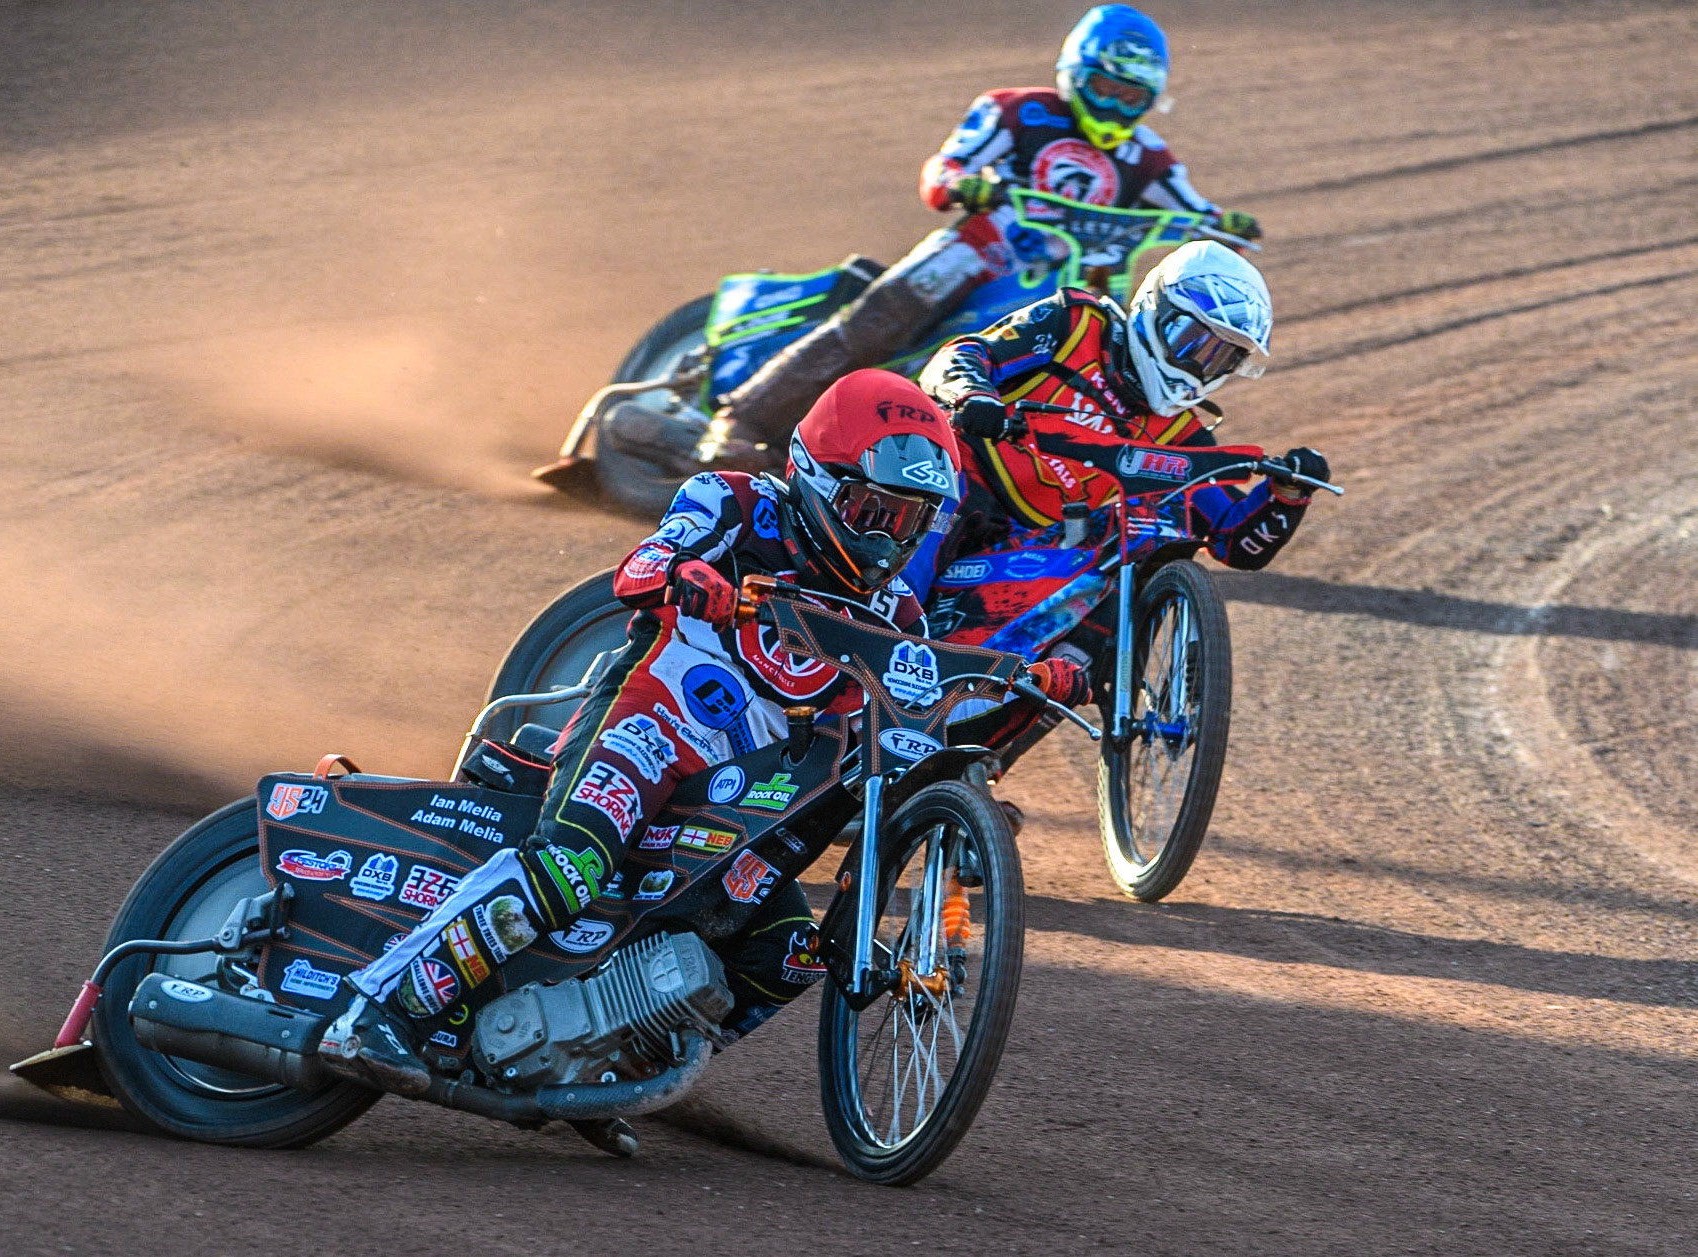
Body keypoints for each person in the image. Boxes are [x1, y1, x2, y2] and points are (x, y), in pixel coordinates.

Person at [318, 370, 1091, 1095]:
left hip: (742, 803)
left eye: (911, 523)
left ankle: (609, 1063)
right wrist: (686, 574)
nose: (889, 542)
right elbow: (643, 564)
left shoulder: (899, 618)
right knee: (571, 867)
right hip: (650, 727)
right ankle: (378, 1010)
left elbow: (929, 697)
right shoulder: (735, 499)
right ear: (820, 477)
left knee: (788, 954)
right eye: (874, 514)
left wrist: (1025, 678)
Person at [690, 4, 1262, 472]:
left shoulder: (1146, 157)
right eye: (1105, 87)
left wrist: (1226, 224)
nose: (1114, 105)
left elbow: (1193, 209)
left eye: (1131, 97)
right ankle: (745, 417)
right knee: (883, 318)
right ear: (1076, 72)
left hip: (1072, 286)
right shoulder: (1015, 112)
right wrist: (969, 184)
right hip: (980, 251)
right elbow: (942, 170)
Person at [912, 239, 1329, 606]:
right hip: (960, 482)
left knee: (1120, 565)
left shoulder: (1181, 436)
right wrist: (974, 396)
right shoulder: (1076, 323)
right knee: (915, 565)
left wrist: (1288, 496)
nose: (1199, 364)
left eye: (1220, 357)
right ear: (1156, 305)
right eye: (1193, 342)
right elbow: (962, 355)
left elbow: (1234, 541)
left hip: (1033, 548)